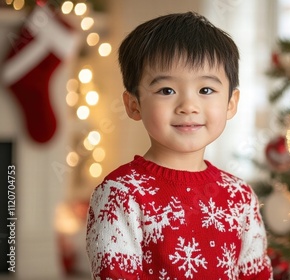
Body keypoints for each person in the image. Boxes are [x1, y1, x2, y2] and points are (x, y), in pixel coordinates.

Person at [85, 11, 273, 279]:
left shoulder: (240, 196)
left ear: (231, 103)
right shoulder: (120, 195)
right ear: (133, 104)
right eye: (166, 90)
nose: (188, 107)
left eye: (206, 90)